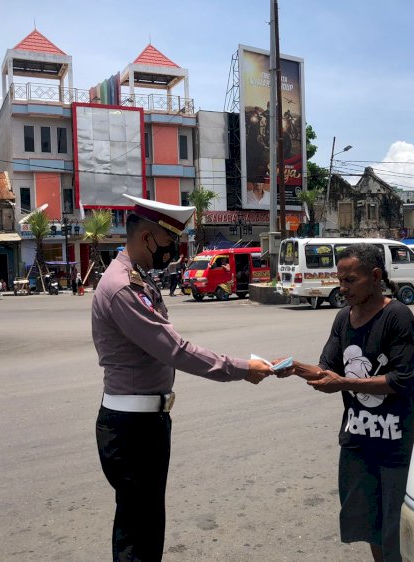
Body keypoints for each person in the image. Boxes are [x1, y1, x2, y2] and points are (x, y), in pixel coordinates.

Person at [92, 194, 273, 562]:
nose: (174, 250)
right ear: (146, 238)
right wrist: (241, 368)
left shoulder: (137, 279)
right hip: (132, 429)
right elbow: (175, 349)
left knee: (144, 524)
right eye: (169, 241)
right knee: (138, 535)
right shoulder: (123, 288)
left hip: (145, 422)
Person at [276, 243, 414, 562]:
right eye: (339, 280)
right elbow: (327, 370)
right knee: (370, 528)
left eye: (349, 280)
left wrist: (343, 383)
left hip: (398, 448)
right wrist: (295, 368)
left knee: (397, 533)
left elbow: (402, 379)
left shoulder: (397, 316)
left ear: (374, 277)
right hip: (358, 444)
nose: (341, 288)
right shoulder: (343, 319)